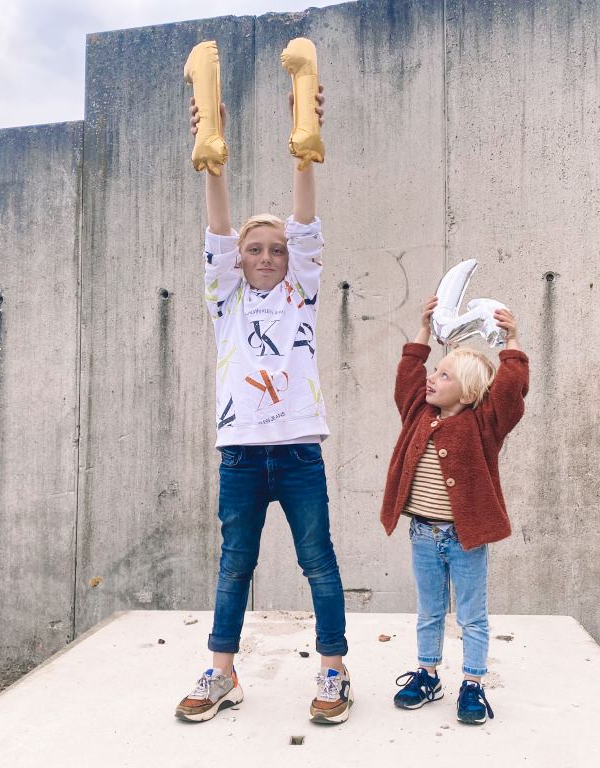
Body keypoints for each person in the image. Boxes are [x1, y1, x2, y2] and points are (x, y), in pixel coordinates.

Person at [175, 89, 352, 725]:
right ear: (240, 260)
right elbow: (218, 233)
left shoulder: (301, 293)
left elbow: (305, 228)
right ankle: (222, 674)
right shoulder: (226, 302)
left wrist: (305, 144)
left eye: (276, 249)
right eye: (257, 249)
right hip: (242, 456)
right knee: (234, 567)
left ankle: (333, 672)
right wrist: (211, 158)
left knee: (318, 564)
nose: (268, 256)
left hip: (300, 452)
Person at [381, 295, 528, 724]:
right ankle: (427, 675)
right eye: (435, 372)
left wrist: (512, 341)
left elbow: (509, 391)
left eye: (443, 376)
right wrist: (424, 329)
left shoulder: (485, 423)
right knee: (429, 610)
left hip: (466, 538)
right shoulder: (417, 412)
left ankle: (473, 683)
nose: (432, 379)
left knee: (471, 615)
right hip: (424, 534)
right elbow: (407, 375)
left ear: (467, 390)